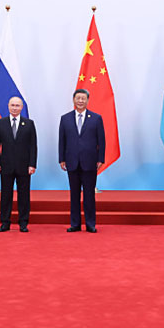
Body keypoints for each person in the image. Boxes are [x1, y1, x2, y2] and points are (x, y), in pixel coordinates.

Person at [58, 88, 105, 233]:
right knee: (74, 194)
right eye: (78, 98)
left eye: (83, 98)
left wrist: (100, 159)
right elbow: (62, 141)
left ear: (87, 100)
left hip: (90, 162)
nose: (80, 101)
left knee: (89, 194)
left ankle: (90, 224)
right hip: (71, 162)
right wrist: (62, 159)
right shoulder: (65, 118)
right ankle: (75, 224)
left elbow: (101, 141)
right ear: (73, 100)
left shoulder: (96, 118)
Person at [0, 96, 37, 232]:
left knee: (24, 195)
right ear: (8, 106)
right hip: (6, 165)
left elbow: (33, 146)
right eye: (12, 105)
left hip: (24, 166)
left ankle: (23, 222)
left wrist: (32, 164)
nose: (15, 108)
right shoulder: (0, 123)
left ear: (22, 107)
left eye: (17, 105)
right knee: (6, 195)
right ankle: (5, 222)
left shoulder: (29, 123)